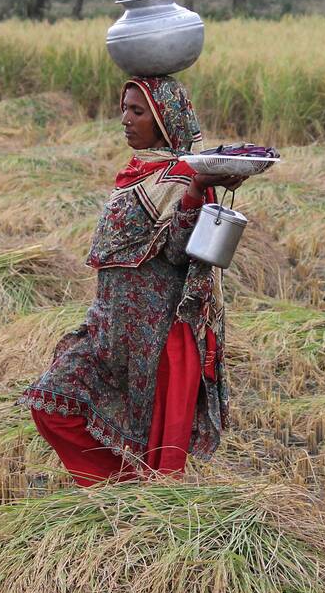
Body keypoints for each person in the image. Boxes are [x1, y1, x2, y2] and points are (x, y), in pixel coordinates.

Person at [14, 75, 245, 487]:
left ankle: (139, 508)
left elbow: (180, 253)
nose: (125, 119)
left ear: (163, 119)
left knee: (156, 452)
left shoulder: (184, 177)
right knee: (51, 403)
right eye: (124, 108)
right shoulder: (139, 172)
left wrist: (194, 191)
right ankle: (119, 488)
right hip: (110, 328)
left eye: (137, 111)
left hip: (155, 337)